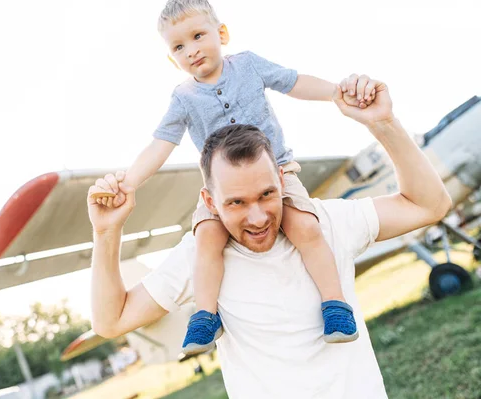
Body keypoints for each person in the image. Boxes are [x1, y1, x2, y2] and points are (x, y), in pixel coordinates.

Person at [87, 77, 452, 398]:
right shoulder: (199, 255)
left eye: (266, 194)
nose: (258, 217)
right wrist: (106, 232)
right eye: (237, 203)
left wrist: (383, 123)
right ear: (210, 202)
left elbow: (428, 205)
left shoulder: (326, 222)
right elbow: (111, 321)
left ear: (282, 180)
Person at [92, 0, 375, 355]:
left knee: (305, 226)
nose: (191, 50)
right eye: (179, 46)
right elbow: (161, 143)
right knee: (206, 238)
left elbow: (293, 82)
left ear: (221, 34)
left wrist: (336, 92)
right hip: (222, 191)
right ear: (171, 59)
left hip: (278, 173)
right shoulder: (183, 98)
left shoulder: (248, 65)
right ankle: (205, 316)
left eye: (198, 36)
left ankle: (335, 305)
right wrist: (129, 182)